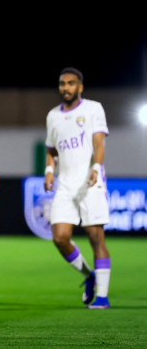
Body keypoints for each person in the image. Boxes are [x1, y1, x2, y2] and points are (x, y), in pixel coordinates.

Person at [44, 67, 111, 309]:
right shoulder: (53, 115)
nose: (66, 87)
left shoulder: (93, 109)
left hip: (90, 183)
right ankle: (88, 275)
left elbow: (99, 144)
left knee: (95, 237)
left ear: (80, 87)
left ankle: (102, 297)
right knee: (60, 238)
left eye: (71, 83)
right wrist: (49, 170)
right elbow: (51, 150)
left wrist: (96, 167)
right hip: (65, 184)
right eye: (62, 83)